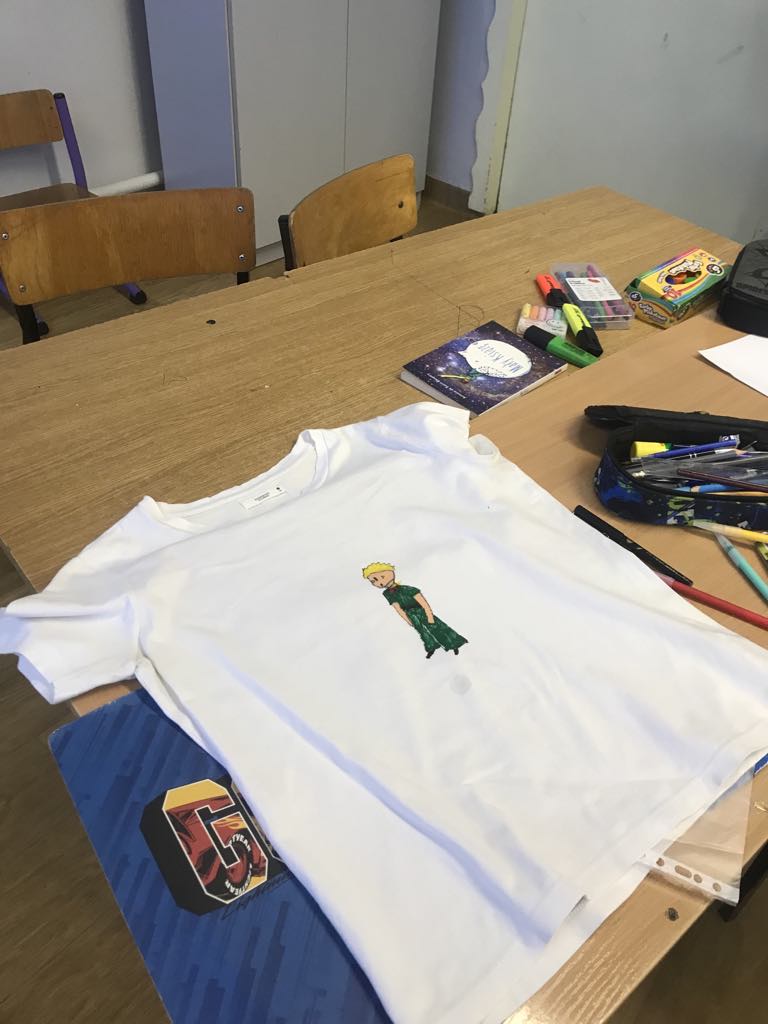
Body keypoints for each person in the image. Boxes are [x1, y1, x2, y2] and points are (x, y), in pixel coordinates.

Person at [362, 562, 468, 659]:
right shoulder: (387, 594)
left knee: (438, 628)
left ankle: (454, 645)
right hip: (411, 616)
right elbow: (398, 609)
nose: (379, 582)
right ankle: (431, 648)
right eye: (373, 581)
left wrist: (429, 616)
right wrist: (408, 620)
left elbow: (424, 604)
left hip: (422, 612)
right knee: (423, 633)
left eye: (381, 577)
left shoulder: (409, 589)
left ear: (391, 573)